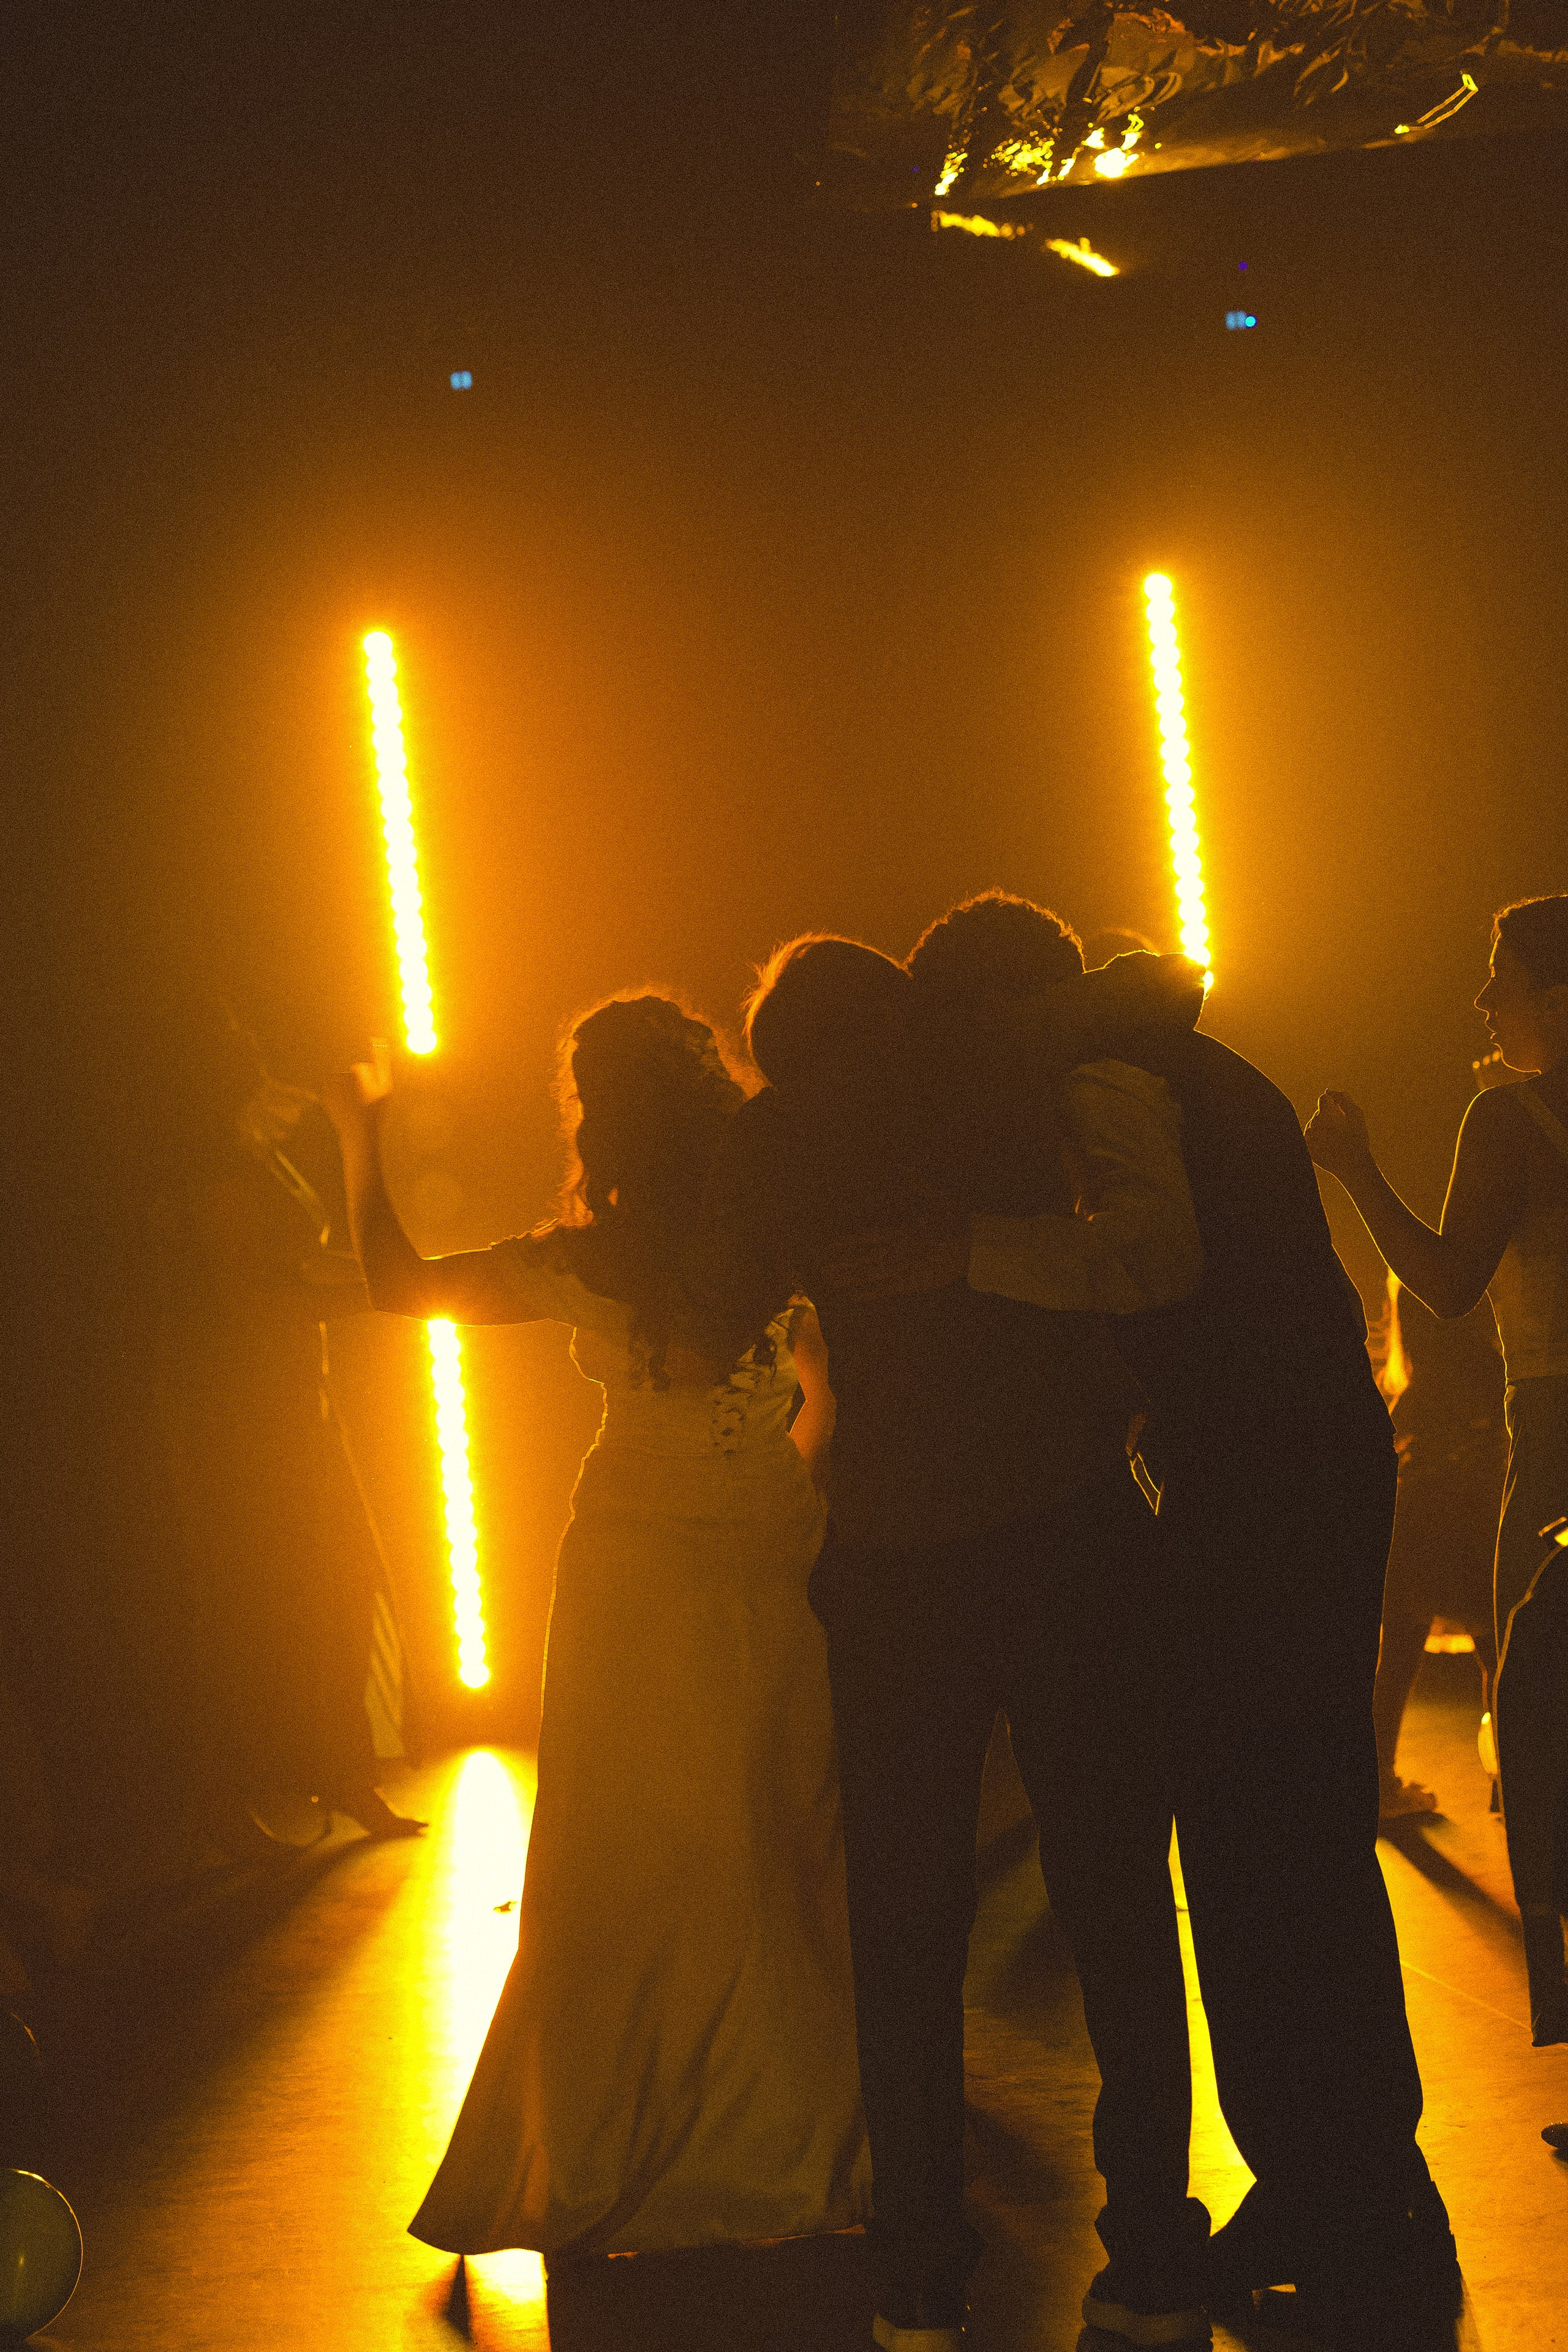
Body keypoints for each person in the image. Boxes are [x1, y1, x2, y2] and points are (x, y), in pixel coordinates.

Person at [828, 891, 1455, 2347]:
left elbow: (1150, 1259)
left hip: (1260, 1482)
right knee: (1280, 1837)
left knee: (1261, 1839)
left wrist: (961, 1250)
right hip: (1294, 1465)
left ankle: (1342, 2194)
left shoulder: (1108, 1076)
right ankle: (1343, 2185)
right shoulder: (1183, 1062)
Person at [684, 932, 1212, 2351]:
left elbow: (703, 1319)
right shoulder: (987, 1054)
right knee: (1115, 1900)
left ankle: (918, 2274)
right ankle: (1153, 2254)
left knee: (905, 1929)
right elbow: (1169, 976)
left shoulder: (774, 1134)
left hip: (897, 1560)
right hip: (1067, 1530)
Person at [323, 997, 871, 2260]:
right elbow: (829, 1391)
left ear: (600, 1121)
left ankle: (612, 2139)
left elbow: (400, 1283)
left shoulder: (586, 1264)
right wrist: (777, 1478)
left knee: (624, 1854)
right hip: (775, 1547)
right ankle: (798, 2139)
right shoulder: (783, 1240)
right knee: (777, 1834)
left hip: (634, 1563)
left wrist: (361, 1138)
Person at [1306, 892, 1568, 2050]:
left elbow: (1451, 1284)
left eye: (1502, 976)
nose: (1483, 999)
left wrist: (1356, 1171)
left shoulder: (1510, 1118)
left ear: (1557, 997)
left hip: (1555, 1434)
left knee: (1546, 1714)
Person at [150, 1000, 420, 1853]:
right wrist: (374, 1294)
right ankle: (245, 1795)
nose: (263, 1062)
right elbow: (251, 1303)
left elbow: (291, 1266)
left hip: (297, 1407)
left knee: (339, 1589)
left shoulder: (253, 1161)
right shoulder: (223, 1182)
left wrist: (379, 1277)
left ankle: (336, 1773)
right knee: (269, 1606)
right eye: (246, 1053)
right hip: (250, 1420)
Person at [1371, 1272, 1503, 1820]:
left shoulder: (1415, 1393)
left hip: (1417, 1524)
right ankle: (1511, 1783)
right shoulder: (1489, 1375)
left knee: (1396, 1659)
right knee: (1498, 1656)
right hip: (1475, 1523)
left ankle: (1378, 1785)